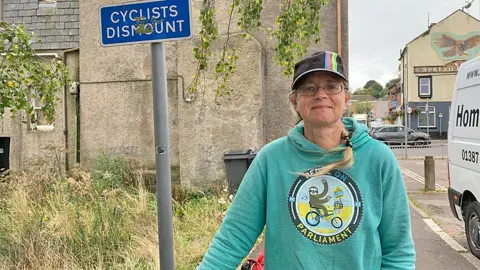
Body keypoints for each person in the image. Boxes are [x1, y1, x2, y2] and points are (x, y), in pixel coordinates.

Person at [197, 51, 415, 269]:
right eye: (309, 88)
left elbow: (398, 250)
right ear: (295, 102)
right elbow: (234, 237)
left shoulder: (378, 158)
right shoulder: (271, 159)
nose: (321, 94)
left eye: (331, 86)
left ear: (346, 98)